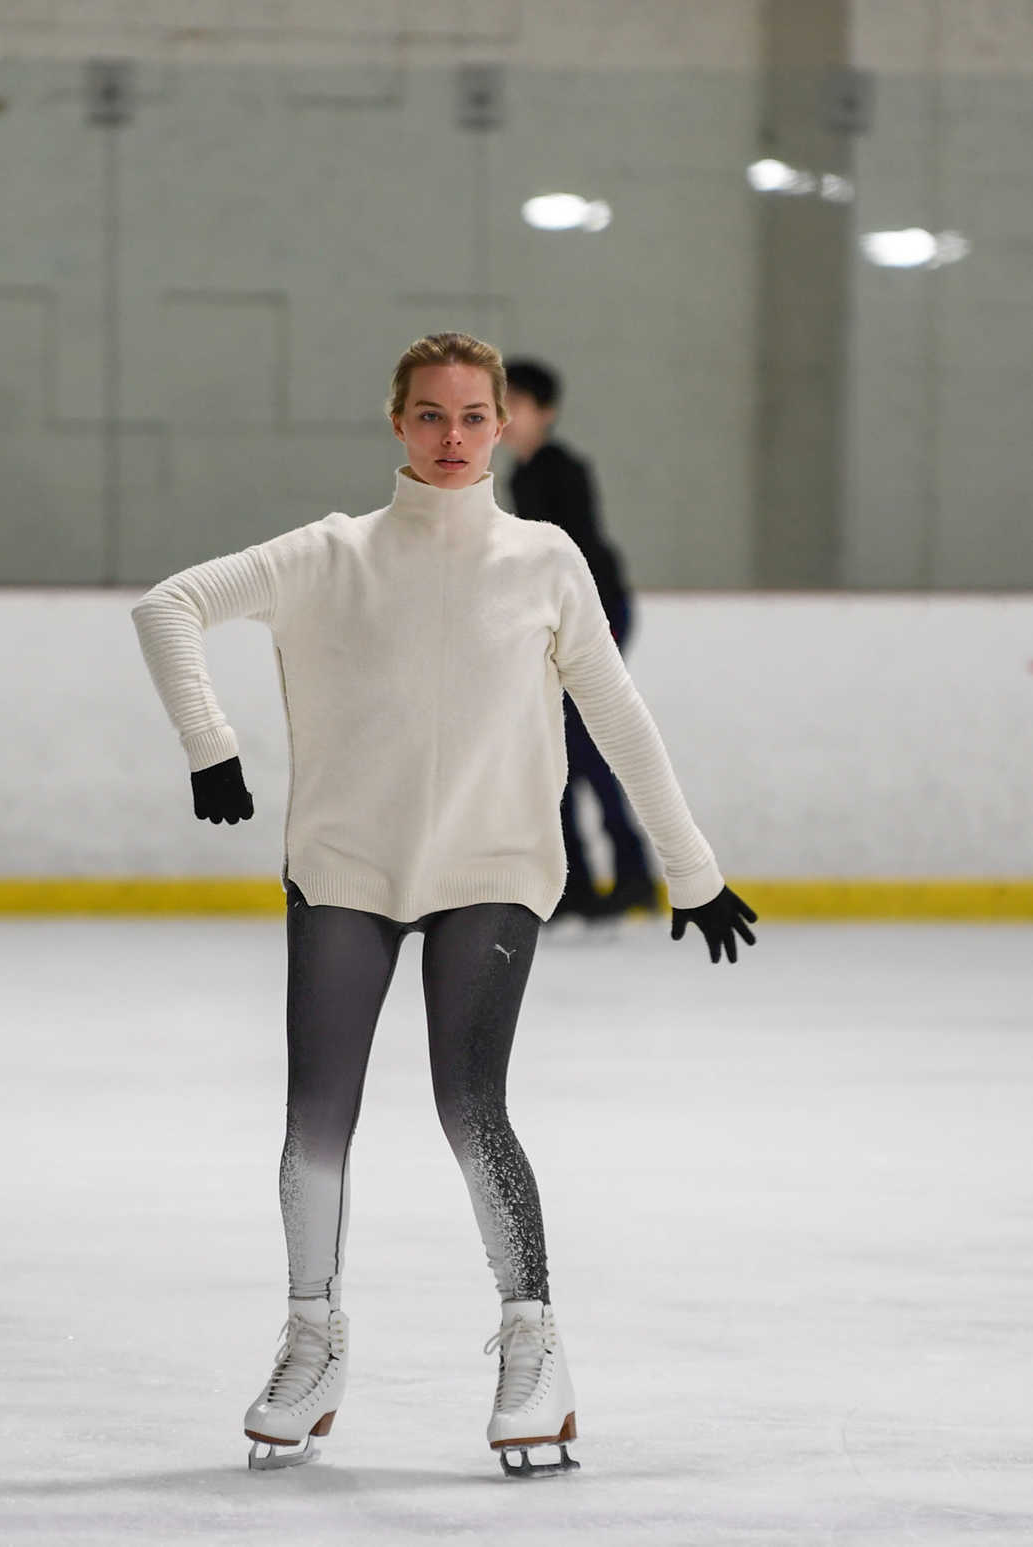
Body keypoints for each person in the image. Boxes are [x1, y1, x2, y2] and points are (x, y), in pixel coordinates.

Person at [130, 332, 757, 1478]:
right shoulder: (329, 554)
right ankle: (310, 1336)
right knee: (314, 1111)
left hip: (494, 867)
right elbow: (168, 604)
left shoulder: (543, 559)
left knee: (470, 1105)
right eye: (430, 415)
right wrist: (210, 746)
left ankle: (533, 1343)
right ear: (396, 422)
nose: (454, 437)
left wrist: (691, 864)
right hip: (345, 869)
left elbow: (618, 718)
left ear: (505, 422)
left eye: (475, 416)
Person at [502, 358, 656, 922]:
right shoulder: (523, 475)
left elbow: (575, 555)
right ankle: (579, 885)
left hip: (594, 614)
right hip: (561, 619)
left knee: (579, 748)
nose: (504, 417)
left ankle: (629, 874)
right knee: (553, 749)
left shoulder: (559, 469)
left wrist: (565, 627)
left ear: (546, 412)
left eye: (515, 405)